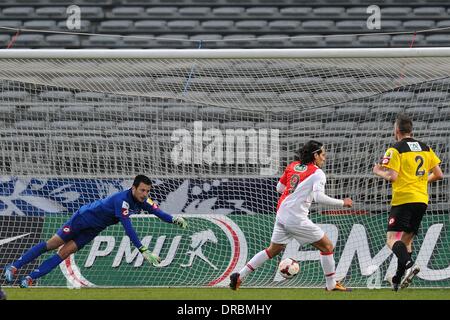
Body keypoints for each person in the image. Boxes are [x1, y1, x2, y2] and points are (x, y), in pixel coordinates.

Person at [3, 174, 187, 288]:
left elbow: (158, 212)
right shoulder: (121, 200)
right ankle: (13, 266)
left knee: (64, 253)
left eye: (147, 191)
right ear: (133, 188)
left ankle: (30, 278)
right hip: (83, 219)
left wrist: (174, 219)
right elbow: (127, 227)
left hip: (95, 228)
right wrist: (142, 249)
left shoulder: (144, 200)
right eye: (142, 190)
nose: (145, 194)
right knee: (53, 244)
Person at [229, 140, 353, 292]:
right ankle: (331, 284)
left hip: (282, 213)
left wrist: (296, 192)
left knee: (272, 250)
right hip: (295, 217)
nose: (324, 158)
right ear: (315, 155)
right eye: (323, 155)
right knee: (327, 246)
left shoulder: (292, 166)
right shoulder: (317, 173)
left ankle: (239, 276)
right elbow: (319, 198)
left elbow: (279, 188)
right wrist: (342, 202)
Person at [373, 113, 443, 291]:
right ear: (411, 130)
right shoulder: (425, 148)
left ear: (396, 130)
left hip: (403, 199)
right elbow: (439, 174)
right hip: (421, 199)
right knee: (406, 241)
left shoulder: (395, 149)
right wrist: (419, 181)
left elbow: (392, 176)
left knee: (391, 239)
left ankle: (409, 264)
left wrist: (378, 171)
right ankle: (397, 278)